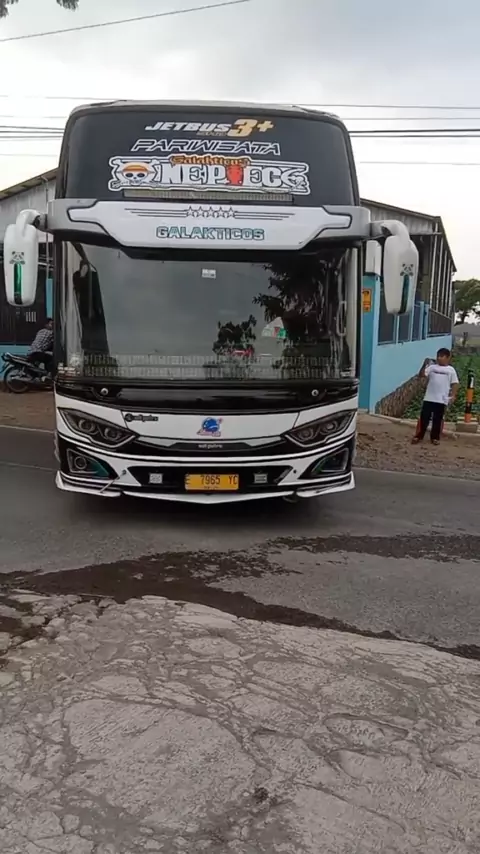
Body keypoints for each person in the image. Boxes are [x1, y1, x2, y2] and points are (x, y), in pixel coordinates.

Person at [412, 348, 459, 445]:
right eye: (438, 356)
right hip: (429, 398)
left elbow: (455, 383)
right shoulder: (432, 367)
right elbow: (422, 375)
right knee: (424, 418)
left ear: (448, 358)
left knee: (437, 419)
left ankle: (435, 438)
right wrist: (424, 365)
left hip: (441, 399)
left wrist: (453, 395)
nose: (439, 358)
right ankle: (418, 436)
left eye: (442, 356)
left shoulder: (451, 370)